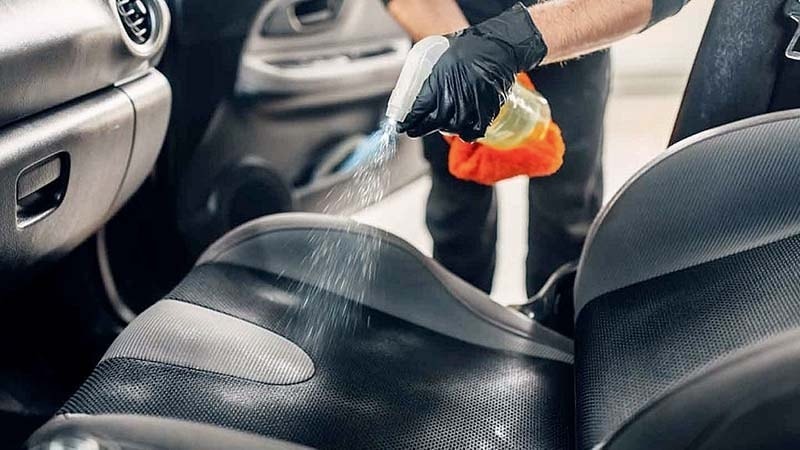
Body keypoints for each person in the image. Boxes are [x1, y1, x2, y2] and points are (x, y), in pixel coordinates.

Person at [383, 0, 690, 296]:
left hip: (575, 27)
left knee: (567, 209)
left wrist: (512, 41)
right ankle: (456, 318)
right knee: (456, 208)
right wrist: (466, 53)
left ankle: (556, 332)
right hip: (450, 28)